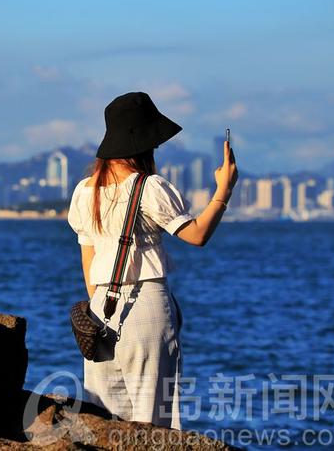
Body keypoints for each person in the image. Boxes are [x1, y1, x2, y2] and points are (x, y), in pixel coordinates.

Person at [66, 91, 238, 430]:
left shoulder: (85, 191)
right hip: (145, 307)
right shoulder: (150, 187)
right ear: (144, 144)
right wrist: (224, 190)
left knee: (105, 421)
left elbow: (88, 263)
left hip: (100, 310)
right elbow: (197, 235)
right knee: (154, 423)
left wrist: (102, 309)